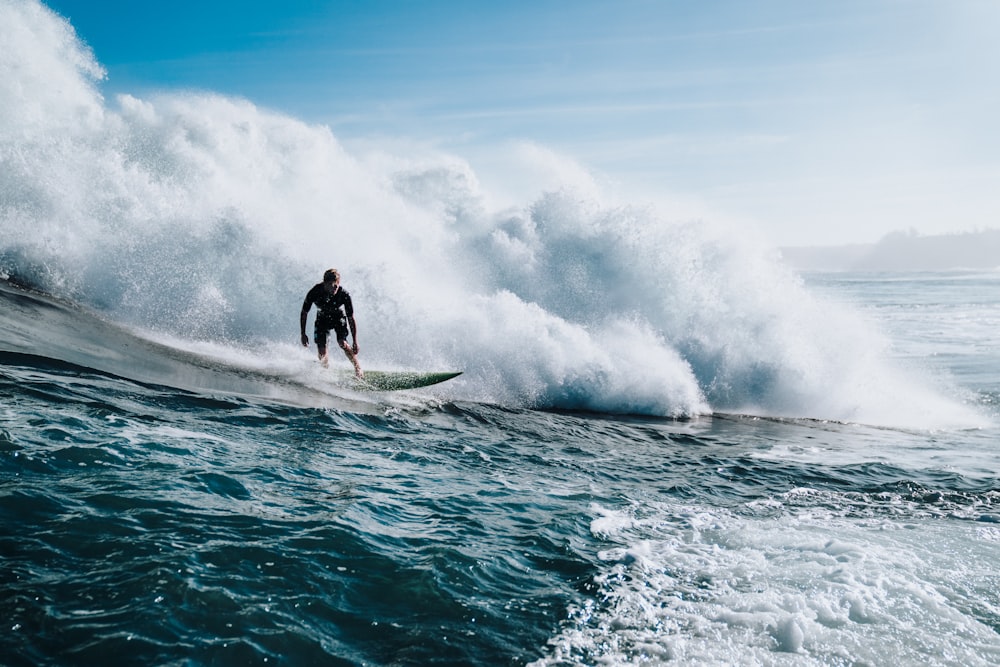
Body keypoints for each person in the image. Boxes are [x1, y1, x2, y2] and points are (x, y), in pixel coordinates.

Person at [300, 268, 363, 378]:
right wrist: (303, 334)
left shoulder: (344, 294)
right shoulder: (314, 292)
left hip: (338, 318)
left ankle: (358, 368)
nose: (334, 288)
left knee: (342, 343)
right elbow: (304, 312)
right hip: (322, 319)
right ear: (325, 283)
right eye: (331, 285)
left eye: (336, 285)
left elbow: (351, 318)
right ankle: (325, 373)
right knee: (321, 351)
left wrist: (355, 341)